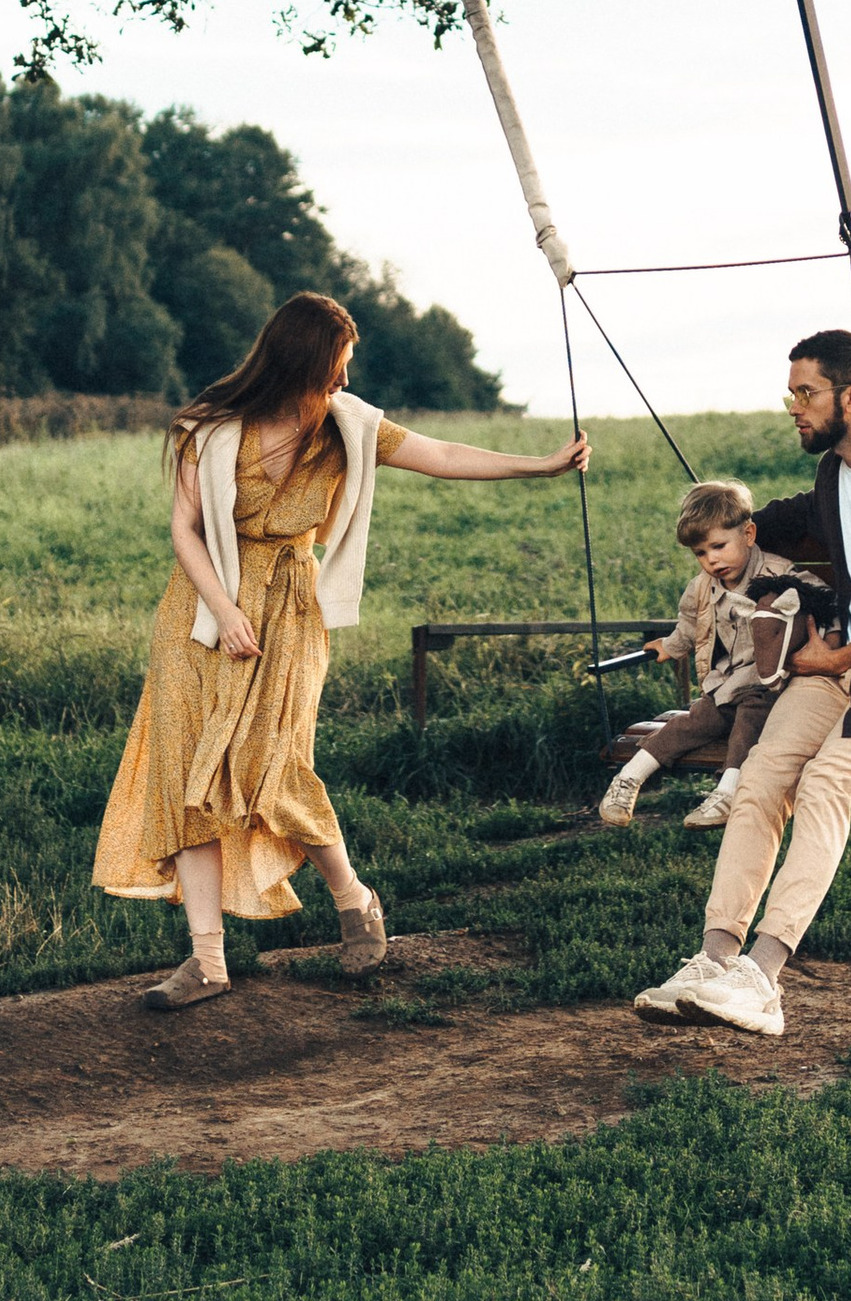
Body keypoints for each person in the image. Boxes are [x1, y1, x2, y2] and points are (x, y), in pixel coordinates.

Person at [94, 289, 589, 1008]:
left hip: (291, 609)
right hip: (201, 614)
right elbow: (185, 529)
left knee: (273, 767)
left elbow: (442, 452)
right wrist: (225, 609)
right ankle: (206, 961)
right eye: (338, 364)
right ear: (302, 358)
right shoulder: (207, 426)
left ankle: (355, 899)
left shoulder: (348, 428)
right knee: (186, 773)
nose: (345, 379)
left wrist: (540, 464)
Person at [631, 330, 851, 1036]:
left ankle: (763, 978)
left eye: (806, 392)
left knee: (825, 780)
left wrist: (836, 658)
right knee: (763, 774)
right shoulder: (835, 473)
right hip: (848, 667)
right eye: (790, 392)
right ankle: (714, 959)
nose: (793, 405)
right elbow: (795, 516)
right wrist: (736, 528)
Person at [595, 479, 835, 835]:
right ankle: (629, 778)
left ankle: (726, 792)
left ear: (749, 533)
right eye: (701, 553)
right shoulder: (701, 588)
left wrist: (829, 638)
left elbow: (821, 597)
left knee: (748, 723)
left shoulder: (777, 572)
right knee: (692, 721)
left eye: (719, 547)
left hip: (770, 684)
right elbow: (690, 625)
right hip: (726, 682)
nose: (712, 560)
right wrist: (671, 646)